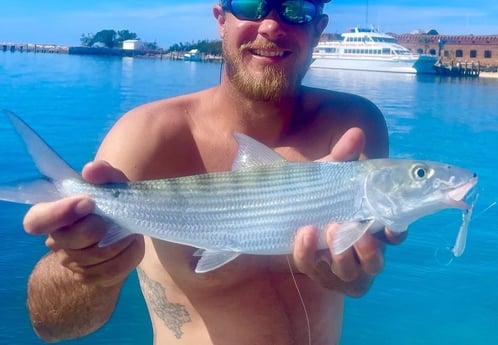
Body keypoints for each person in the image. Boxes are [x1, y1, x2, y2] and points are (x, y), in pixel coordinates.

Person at [24, 1, 405, 344]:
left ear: (318, 29)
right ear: (220, 19)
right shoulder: (147, 138)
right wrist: (85, 271)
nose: (272, 25)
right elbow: (52, 326)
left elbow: (357, 276)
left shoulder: (355, 124)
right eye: (251, 4)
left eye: (295, 9)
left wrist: (353, 276)